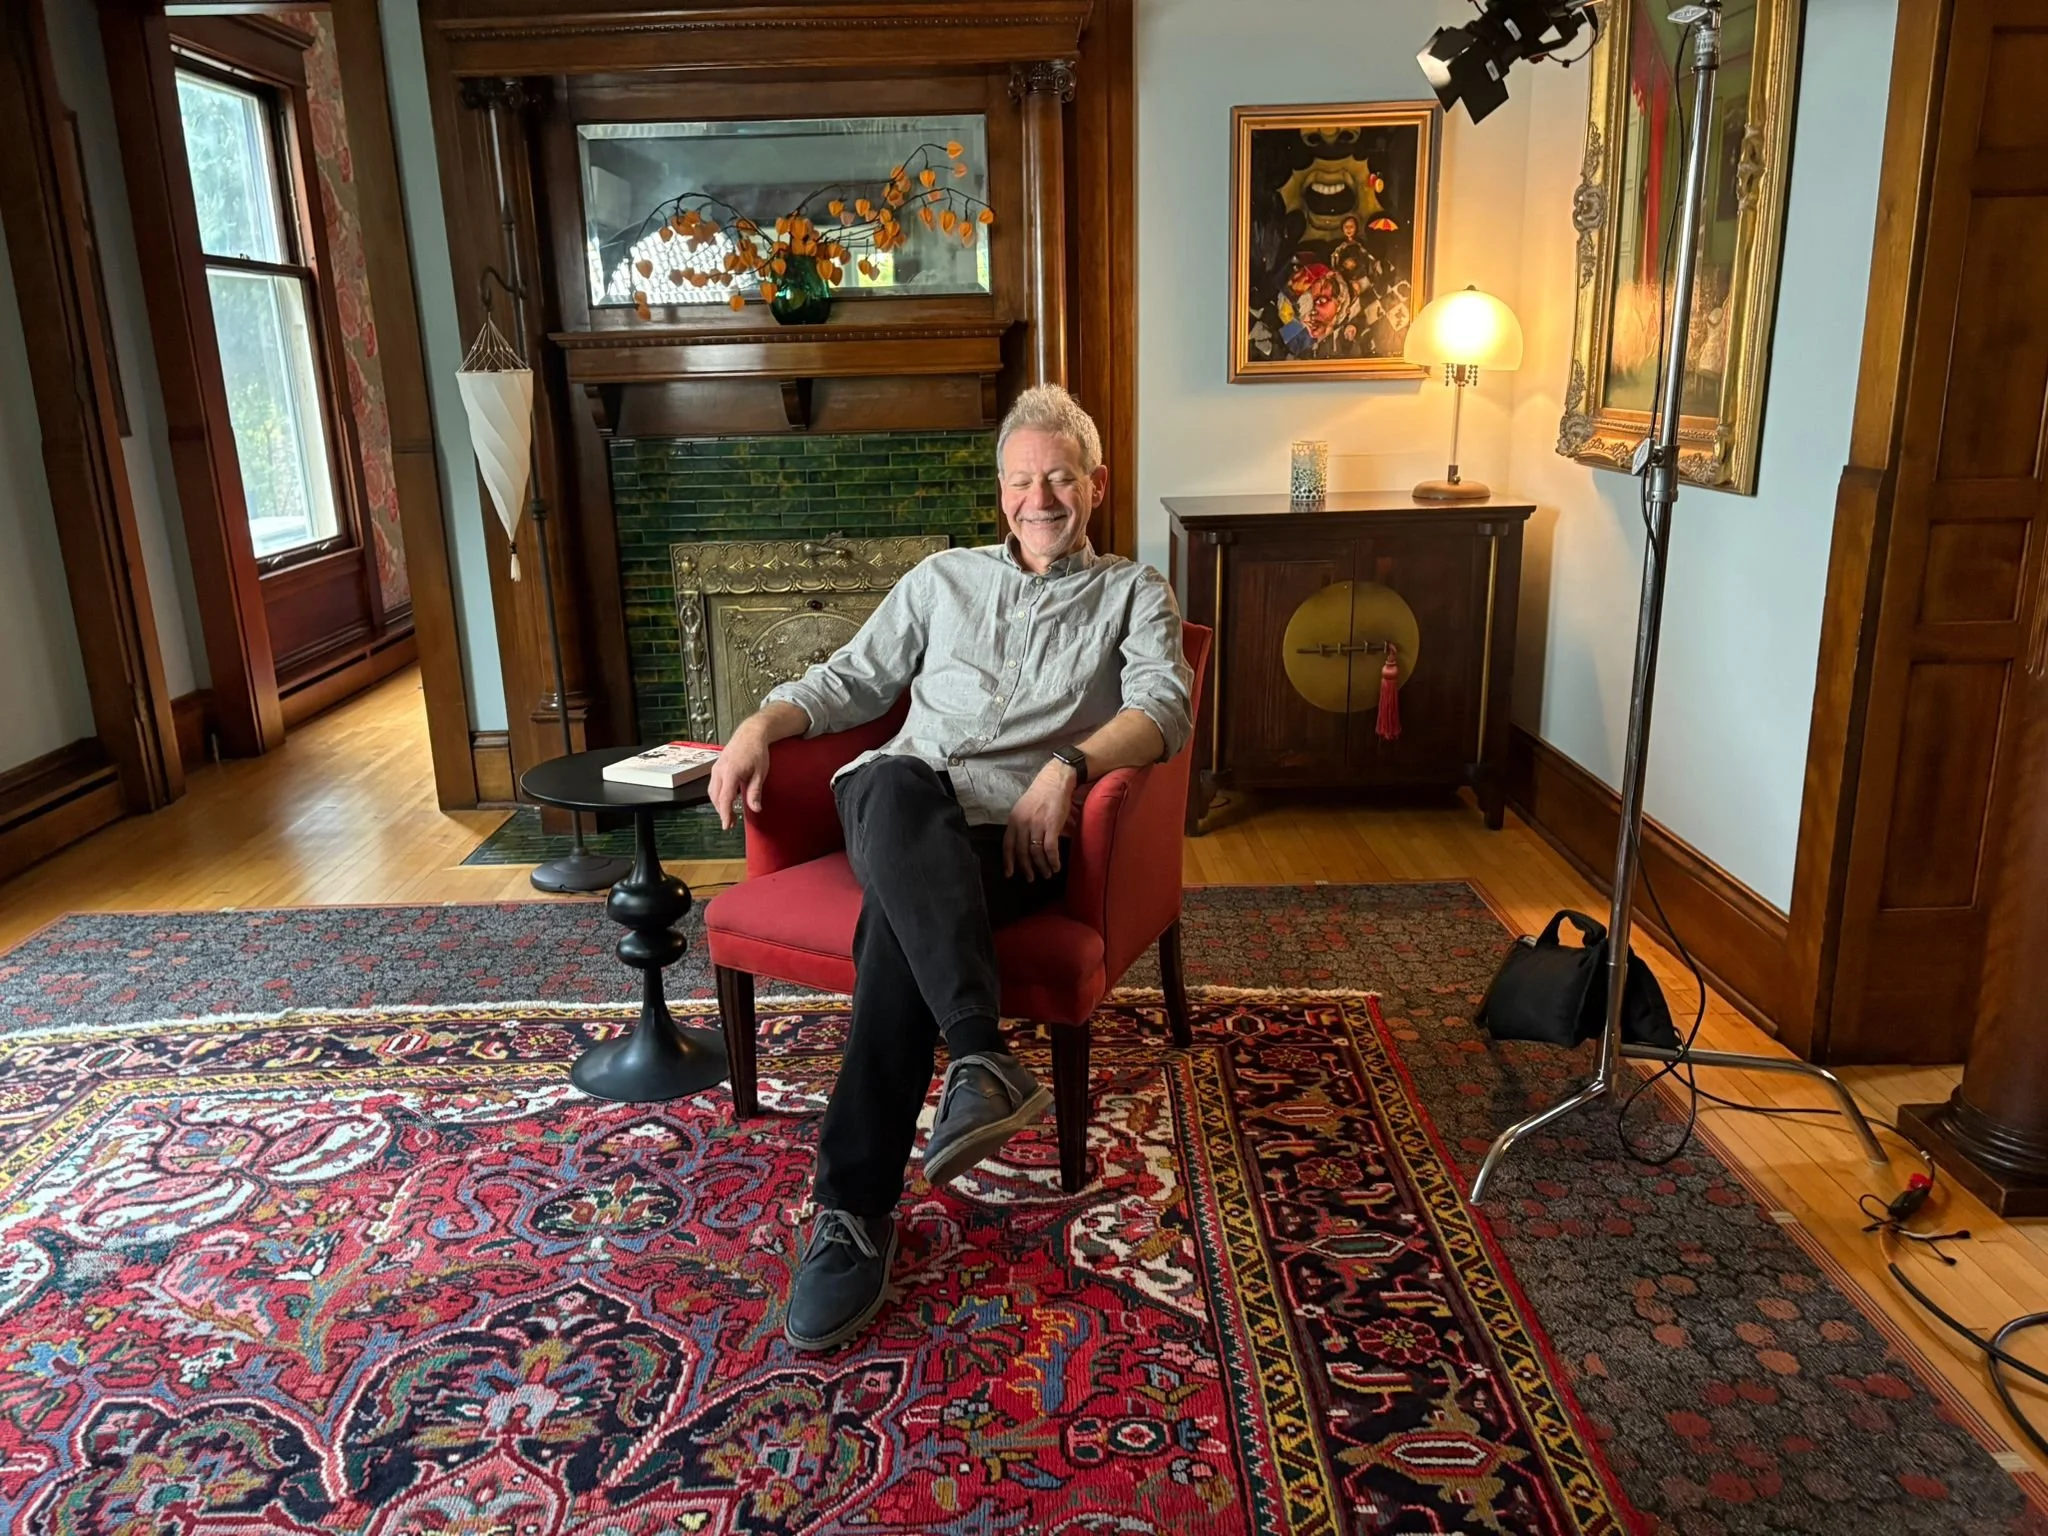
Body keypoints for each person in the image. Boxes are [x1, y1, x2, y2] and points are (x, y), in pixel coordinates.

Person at [706, 383, 1193, 1351]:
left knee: (896, 924)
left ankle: (851, 1210)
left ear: (1093, 484)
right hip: (898, 798)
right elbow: (850, 681)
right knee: (889, 782)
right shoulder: (940, 579)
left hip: (1011, 833)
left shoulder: (1132, 591)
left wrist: (1068, 766)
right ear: (999, 491)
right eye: (1020, 481)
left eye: (1057, 477)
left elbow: (1164, 708)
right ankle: (975, 1051)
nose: (1038, 498)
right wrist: (758, 723)